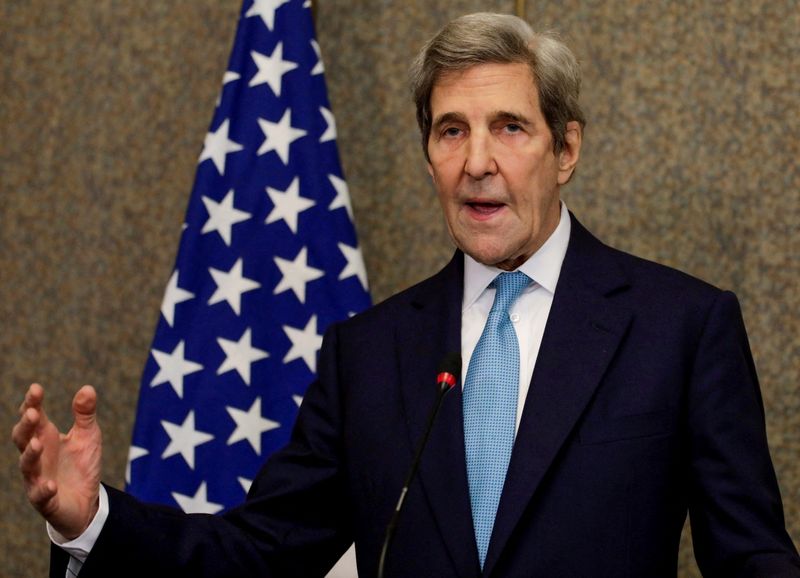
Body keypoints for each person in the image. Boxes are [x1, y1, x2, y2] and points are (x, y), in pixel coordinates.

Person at [13, 12, 800, 578]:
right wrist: (94, 522)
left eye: (510, 128)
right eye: (451, 131)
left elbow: (752, 555)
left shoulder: (680, 327)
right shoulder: (369, 354)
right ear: (428, 154)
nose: (477, 162)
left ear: (565, 149)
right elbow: (258, 552)